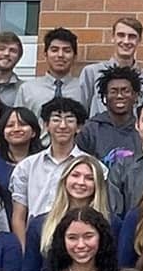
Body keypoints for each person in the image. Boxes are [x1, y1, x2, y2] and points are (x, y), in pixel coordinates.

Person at [22, 153, 116, 271]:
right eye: (75, 175)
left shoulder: (112, 223)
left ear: (98, 184)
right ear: (64, 180)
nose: (81, 182)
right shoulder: (40, 224)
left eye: (89, 178)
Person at [9, 96, 91, 240]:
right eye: (56, 119)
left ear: (79, 127)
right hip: (35, 241)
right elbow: (19, 217)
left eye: (70, 120)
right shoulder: (26, 167)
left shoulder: (93, 167)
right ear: (45, 125)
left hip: (77, 241)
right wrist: (24, 251)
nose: (63, 126)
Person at [81, 15, 143, 118]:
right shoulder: (92, 73)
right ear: (113, 38)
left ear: (139, 40)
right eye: (121, 35)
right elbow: (80, 112)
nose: (126, 41)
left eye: (132, 36)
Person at [18, 26, 92, 113]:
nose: (60, 55)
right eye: (54, 50)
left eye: (67, 51)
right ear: (45, 54)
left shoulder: (84, 89)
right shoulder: (27, 89)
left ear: (75, 56)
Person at [84, 66, 143, 166]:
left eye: (125, 91)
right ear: (105, 96)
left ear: (135, 96)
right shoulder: (91, 129)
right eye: (113, 91)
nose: (119, 96)